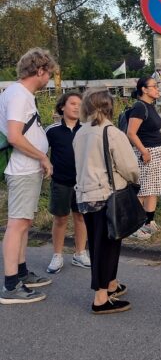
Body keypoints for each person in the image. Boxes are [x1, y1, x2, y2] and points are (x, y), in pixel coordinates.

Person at [73, 87, 139, 314]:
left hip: (85, 194)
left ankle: (110, 283)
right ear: (109, 107)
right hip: (107, 194)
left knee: (99, 242)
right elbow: (130, 168)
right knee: (108, 244)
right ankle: (100, 297)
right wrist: (133, 181)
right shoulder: (111, 133)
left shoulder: (80, 132)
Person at [0, 48, 57, 304]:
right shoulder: (19, 95)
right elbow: (14, 136)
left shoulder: (21, 94)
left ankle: (21, 273)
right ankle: (11, 285)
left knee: (24, 222)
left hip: (27, 168)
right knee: (17, 224)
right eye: (50, 74)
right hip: (22, 169)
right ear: (40, 70)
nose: (50, 79)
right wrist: (43, 157)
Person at [45, 92, 91, 274]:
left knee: (81, 217)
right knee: (60, 218)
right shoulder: (52, 130)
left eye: (80, 104)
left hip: (83, 182)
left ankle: (80, 253)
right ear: (62, 107)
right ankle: (57, 255)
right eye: (72, 103)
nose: (76, 107)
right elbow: (41, 152)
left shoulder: (86, 129)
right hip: (61, 182)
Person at [125, 76, 161, 240]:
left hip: (155, 152)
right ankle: (133, 226)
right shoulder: (139, 107)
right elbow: (131, 133)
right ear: (144, 89)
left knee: (153, 189)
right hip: (146, 153)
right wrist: (144, 151)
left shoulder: (150, 106)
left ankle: (149, 222)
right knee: (143, 190)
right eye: (154, 86)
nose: (157, 89)